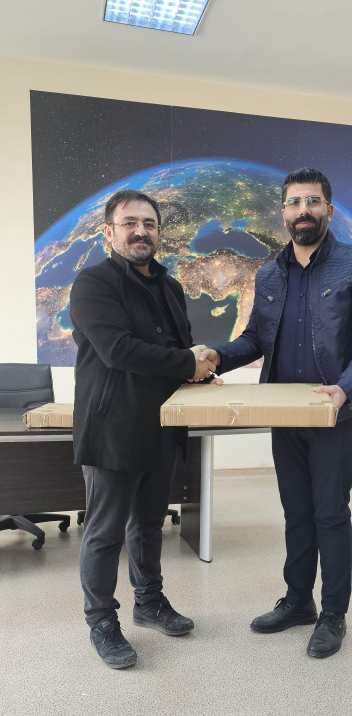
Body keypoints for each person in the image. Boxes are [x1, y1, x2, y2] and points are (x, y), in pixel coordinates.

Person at [207, 168, 352, 658]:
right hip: (284, 412)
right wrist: (215, 356)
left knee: (330, 512)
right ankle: (298, 601)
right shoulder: (269, 273)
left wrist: (344, 389)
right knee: (296, 512)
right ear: (283, 212)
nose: (302, 210)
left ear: (328, 209)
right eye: (294, 202)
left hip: (335, 413)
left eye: (312, 201)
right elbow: (254, 339)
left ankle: (333, 614)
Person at [70, 189, 218, 669]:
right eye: (129, 223)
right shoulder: (94, 283)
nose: (140, 231)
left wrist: (201, 370)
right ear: (109, 232)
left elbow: (179, 350)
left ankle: (149, 603)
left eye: (149, 224)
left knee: (149, 525)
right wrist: (187, 363)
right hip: (112, 428)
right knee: (105, 532)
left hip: (162, 427)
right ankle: (101, 621)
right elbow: (118, 350)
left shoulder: (169, 287)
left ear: (158, 232)